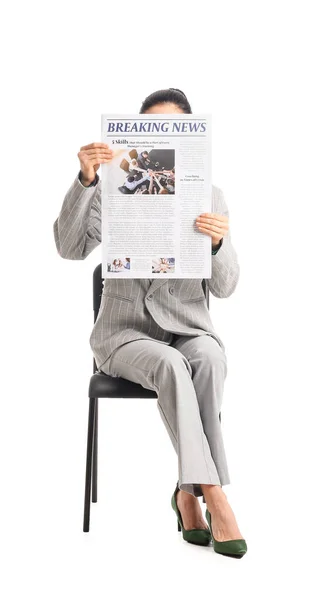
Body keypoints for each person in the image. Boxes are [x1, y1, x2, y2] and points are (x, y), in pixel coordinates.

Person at [53, 87, 247, 558]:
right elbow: (69, 247)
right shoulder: (107, 190)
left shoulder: (211, 196)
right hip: (124, 334)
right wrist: (85, 179)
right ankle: (212, 494)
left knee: (208, 357)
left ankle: (185, 493)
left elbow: (225, 288)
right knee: (171, 364)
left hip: (187, 328)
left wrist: (219, 245)